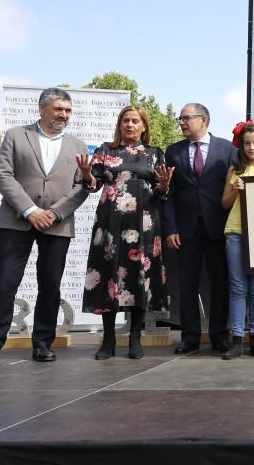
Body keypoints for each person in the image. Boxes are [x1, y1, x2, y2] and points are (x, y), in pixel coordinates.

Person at [0, 87, 91, 369]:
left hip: (57, 224)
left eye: (68, 110)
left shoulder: (78, 145)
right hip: (16, 221)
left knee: (50, 285)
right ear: (41, 109)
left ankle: (43, 344)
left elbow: (81, 187)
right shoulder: (15, 135)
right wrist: (30, 210)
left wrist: (54, 213)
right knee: (3, 284)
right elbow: (4, 175)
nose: (63, 115)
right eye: (58, 109)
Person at [80, 105, 173, 360]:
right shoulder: (105, 150)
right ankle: (108, 339)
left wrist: (164, 186)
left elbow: (162, 193)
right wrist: (88, 175)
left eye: (135, 121)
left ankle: (135, 337)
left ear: (144, 126)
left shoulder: (154, 154)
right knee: (109, 275)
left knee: (139, 275)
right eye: (125, 121)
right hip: (110, 223)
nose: (130, 125)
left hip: (143, 224)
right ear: (119, 125)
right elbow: (93, 185)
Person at [163, 103, 237, 354]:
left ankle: (219, 336)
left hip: (218, 228)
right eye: (180, 118)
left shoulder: (227, 149)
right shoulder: (173, 151)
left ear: (203, 120)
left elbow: (234, 187)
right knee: (187, 285)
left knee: (220, 284)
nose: (182, 122)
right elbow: (169, 194)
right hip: (185, 229)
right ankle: (189, 337)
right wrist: (171, 228)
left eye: (186, 118)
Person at [219, 122, 254, 360]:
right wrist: (236, 189)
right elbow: (225, 203)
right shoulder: (235, 170)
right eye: (247, 143)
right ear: (241, 146)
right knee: (237, 287)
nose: (252, 147)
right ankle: (237, 339)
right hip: (236, 232)